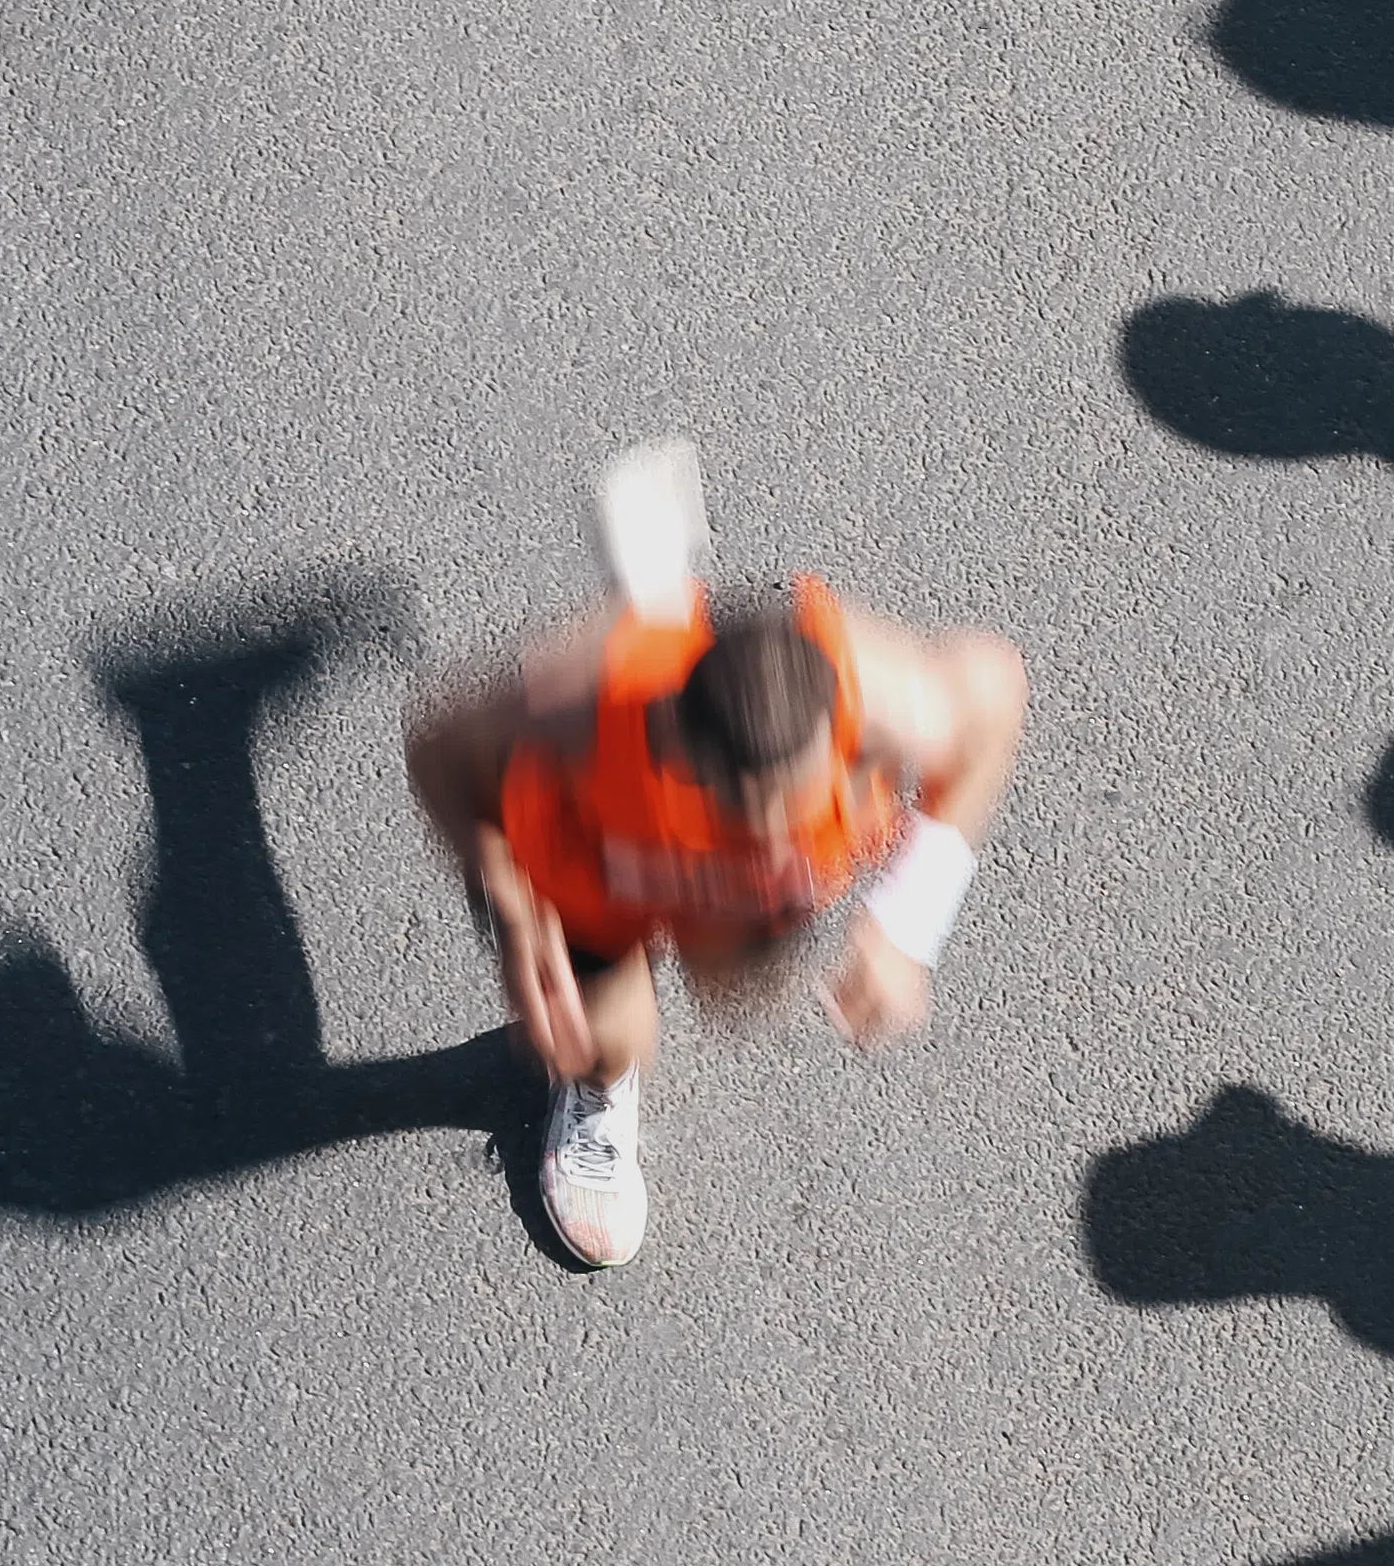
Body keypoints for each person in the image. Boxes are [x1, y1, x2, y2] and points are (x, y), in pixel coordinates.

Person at [404, 452, 1030, 1269]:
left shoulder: (891, 702)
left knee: (738, 977)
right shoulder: (583, 708)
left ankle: (667, 589)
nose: (773, 846)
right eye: (745, 815)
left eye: (798, 805)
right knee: (596, 1034)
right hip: (600, 884)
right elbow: (438, 755)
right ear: (679, 749)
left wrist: (911, 920)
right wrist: (519, 918)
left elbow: (996, 686)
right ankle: (598, 1090)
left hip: (724, 908)